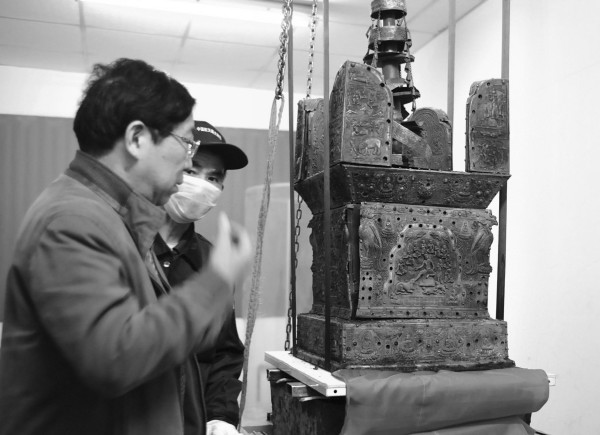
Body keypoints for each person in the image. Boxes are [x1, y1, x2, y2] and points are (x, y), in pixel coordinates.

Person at [0, 58, 252, 435]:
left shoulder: (116, 220)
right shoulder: (74, 219)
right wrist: (216, 280)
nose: (189, 161)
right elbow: (115, 358)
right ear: (137, 139)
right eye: (186, 144)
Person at [154, 121, 248, 435]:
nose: (202, 185)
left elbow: (225, 352)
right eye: (193, 171)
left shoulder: (214, 261)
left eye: (213, 178)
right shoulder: (126, 246)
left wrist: (220, 418)